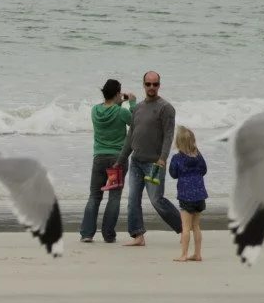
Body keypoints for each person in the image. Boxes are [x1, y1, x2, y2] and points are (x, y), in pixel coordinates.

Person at [115, 71, 183, 245]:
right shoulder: (137, 108)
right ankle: (138, 236)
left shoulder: (166, 108)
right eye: (148, 84)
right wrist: (121, 160)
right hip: (136, 161)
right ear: (143, 85)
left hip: (154, 163)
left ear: (159, 85)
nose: (151, 87)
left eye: (155, 84)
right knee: (132, 200)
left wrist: (163, 158)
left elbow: (169, 136)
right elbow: (131, 136)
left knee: (156, 200)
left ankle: (185, 228)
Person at [80, 79, 137, 244]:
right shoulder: (121, 112)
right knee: (114, 196)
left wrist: (117, 102)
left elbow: (108, 112)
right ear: (118, 93)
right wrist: (132, 103)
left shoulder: (95, 110)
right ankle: (108, 234)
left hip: (99, 157)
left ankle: (87, 233)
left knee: (94, 196)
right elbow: (136, 122)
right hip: (116, 159)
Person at [168, 126, 208, 262]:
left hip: (186, 195)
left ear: (178, 143)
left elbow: (173, 174)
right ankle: (197, 254)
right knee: (196, 226)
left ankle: (184, 254)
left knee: (186, 227)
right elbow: (204, 170)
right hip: (200, 194)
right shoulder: (198, 155)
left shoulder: (177, 158)